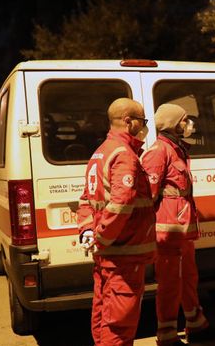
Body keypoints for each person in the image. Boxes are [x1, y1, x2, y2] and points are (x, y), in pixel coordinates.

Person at [76, 98, 156, 346]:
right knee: (119, 325)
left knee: (103, 316)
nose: (144, 127)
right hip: (123, 256)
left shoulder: (100, 153)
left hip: (107, 256)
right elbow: (121, 204)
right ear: (128, 121)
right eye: (142, 121)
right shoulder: (125, 156)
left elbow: (85, 200)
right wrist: (103, 238)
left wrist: (89, 231)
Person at [140, 103, 209, 345]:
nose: (189, 124)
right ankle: (167, 335)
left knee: (189, 277)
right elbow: (148, 195)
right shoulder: (159, 151)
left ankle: (196, 324)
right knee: (170, 283)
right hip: (167, 232)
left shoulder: (177, 149)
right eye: (184, 120)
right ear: (172, 124)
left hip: (182, 231)